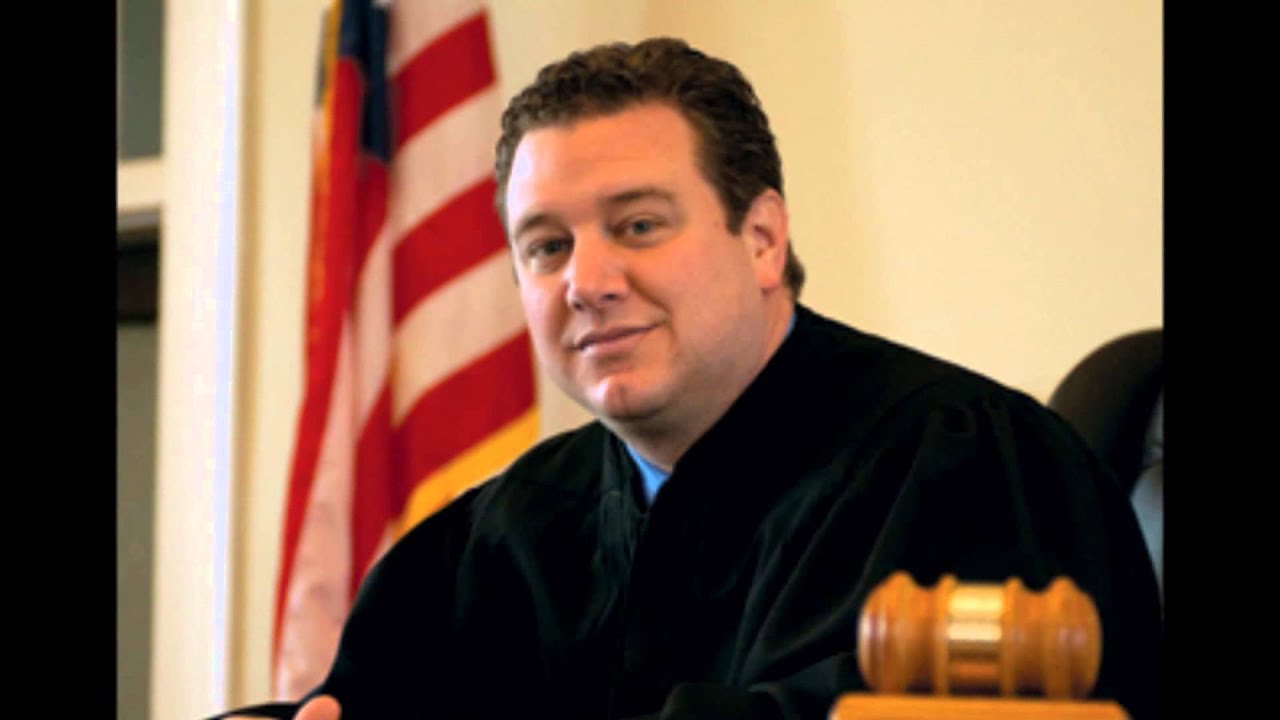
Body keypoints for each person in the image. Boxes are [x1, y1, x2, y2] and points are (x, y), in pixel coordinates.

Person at [219, 37, 1162, 720]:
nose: (586, 281)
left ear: (763, 239)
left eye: (638, 226)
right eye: (546, 246)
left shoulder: (961, 465)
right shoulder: (503, 533)